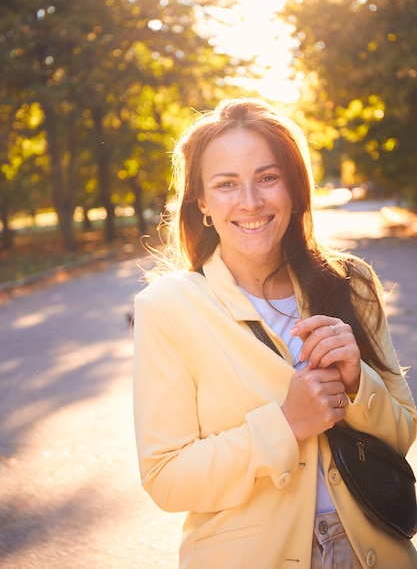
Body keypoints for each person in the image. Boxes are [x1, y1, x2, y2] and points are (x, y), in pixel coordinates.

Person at [133, 98, 417, 568]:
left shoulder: (353, 282)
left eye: (267, 177)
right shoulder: (167, 308)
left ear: (294, 186)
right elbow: (167, 477)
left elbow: (405, 431)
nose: (250, 202)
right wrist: (285, 424)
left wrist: (357, 383)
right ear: (202, 201)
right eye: (226, 184)